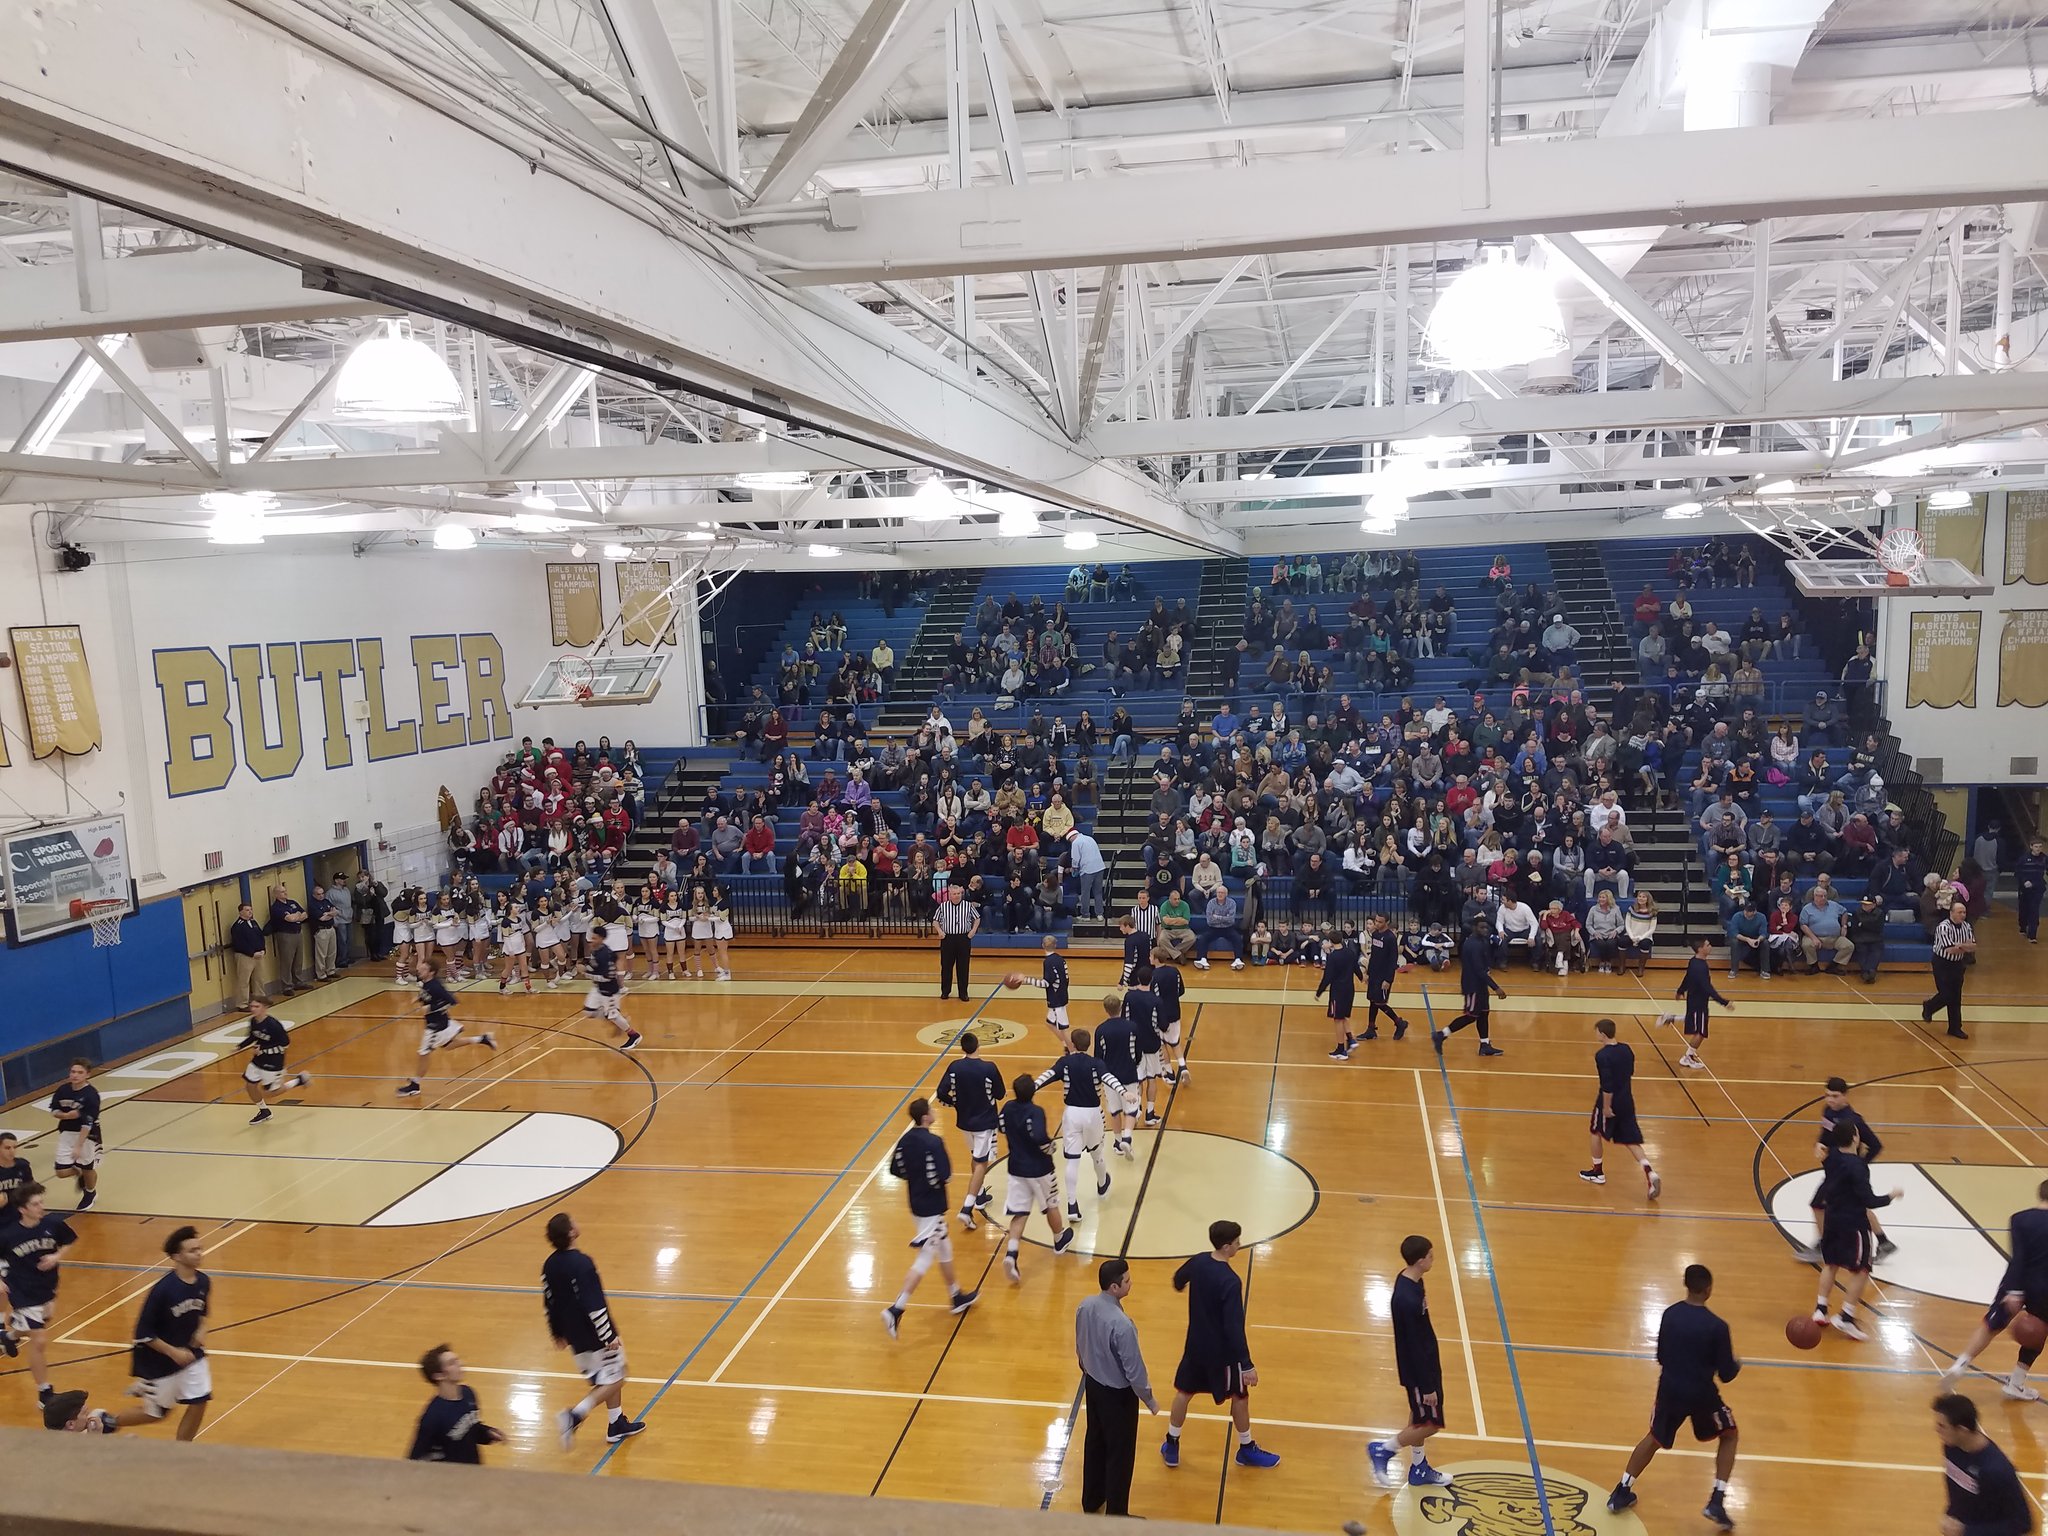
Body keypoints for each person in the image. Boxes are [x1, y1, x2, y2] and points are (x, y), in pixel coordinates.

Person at [1605, 1263, 1739, 1532]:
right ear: (1709, 1289)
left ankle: (1622, 1491)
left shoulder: (1670, 1315)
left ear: (1686, 1286)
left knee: (1653, 1438)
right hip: (1701, 1393)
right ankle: (1716, 1500)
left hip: (1670, 1389)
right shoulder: (1717, 1327)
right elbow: (1726, 1375)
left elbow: (1661, 1356)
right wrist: (1736, 1364)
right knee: (1729, 1434)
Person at [1161, 1220, 1280, 1470]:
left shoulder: (1199, 1261)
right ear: (1227, 1246)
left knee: (1184, 1393)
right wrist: (1246, 1365)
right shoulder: (1230, 1281)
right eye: (1237, 1242)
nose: (1239, 1245)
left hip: (1195, 1346)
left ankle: (1171, 1444)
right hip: (1223, 1355)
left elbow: (1178, 1281)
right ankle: (1246, 1449)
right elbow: (1233, 1327)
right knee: (1240, 1396)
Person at [92, 1225, 213, 1440]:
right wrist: (174, 1352)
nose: (199, 1253)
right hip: (159, 1361)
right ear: (177, 1256)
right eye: (192, 1250)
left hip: (191, 1356)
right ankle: (107, 1422)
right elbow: (143, 1333)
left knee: (200, 1400)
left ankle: (182, 1449)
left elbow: (203, 1313)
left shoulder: (203, 1281)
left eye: (200, 1249)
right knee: (156, 1414)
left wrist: (201, 1330)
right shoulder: (163, 1290)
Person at [542, 1211, 646, 1447]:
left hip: (574, 1335)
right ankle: (575, 1415)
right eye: (574, 1222)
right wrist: (608, 1335)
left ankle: (616, 1423)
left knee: (609, 1374)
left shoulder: (549, 1265)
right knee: (618, 1376)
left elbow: (549, 1301)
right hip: (595, 1333)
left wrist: (556, 1332)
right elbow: (594, 1303)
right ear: (571, 1232)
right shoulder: (582, 1264)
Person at [1940, 1178, 2048, 1404]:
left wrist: (2015, 1290)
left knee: (1991, 1325)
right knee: (2038, 1331)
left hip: (2015, 1281)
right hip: (2044, 1286)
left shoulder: (2019, 1219)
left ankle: (1960, 1365)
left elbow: (2019, 1257)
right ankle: (2016, 1382)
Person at [881, 1100, 980, 1338]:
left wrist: (917, 1178)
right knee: (924, 1259)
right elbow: (946, 1175)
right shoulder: (933, 1142)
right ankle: (896, 1309)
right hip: (932, 1208)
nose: (935, 1112)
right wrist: (931, 1181)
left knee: (945, 1249)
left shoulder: (905, 1139)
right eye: (931, 1110)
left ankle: (956, 1295)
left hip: (916, 1204)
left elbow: (895, 1169)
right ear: (926, 1117)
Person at [1367, 1234, 1453, 1489]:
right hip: (1419, 1372)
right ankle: (1384, 1449)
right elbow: (1413, 1346)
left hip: (1427, 1363)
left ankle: (1418, 1468)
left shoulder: (1412, 1280)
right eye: (1430, 1256)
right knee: (1430, 1424)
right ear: (1419, 1261)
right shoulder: (1406, 1299)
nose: (1433, 1259)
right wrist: (1426, 1387)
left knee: (1419, 1417)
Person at [1076, 1258, 1159, 1517]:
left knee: (1095, 1441)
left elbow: (1080, 1343)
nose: (1131, 1283)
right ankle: (1116, 1515)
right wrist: (1149, 1399)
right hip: (1118, 1397)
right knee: (1120, 1454)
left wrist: (1086, 1367)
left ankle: (1092, 1500)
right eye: (1127, 1281)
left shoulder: (1085, 1305)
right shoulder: (1122, 1325)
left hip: (1093, 1385)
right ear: (1114, 1287)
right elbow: (1134, 1370)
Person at [1809, 1119, 1903, 1341]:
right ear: (1855, 1138)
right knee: (1862, 1269)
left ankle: (1820, 1309)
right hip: (1853, 1224)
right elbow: (1869, 1200)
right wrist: (1891, 1195)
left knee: (1831, 1264)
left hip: (1831, 1219)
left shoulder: (1831, 1157)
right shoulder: (1858, 1166)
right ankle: (1846, 1317)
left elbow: (1826, 1152)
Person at [1796, 1077, 1896, 1263]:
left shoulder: (1853, 1120)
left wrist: (1860, 1163)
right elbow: (1825, 1134)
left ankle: (1823, 1245)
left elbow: (1876, 1145)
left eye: (1835, 1096)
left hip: (1845, 1171)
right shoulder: (1828, 1111)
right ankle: (1884, 1242)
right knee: (1857, 1206)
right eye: (1827, 1095)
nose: (1830, 1100)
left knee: (1819, 1205)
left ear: (1845, 1096)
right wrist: (1819, 1144)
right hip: (1835, 1170)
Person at [0, 1182, 76, 1405]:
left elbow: (69, 1240)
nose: (41, 1207)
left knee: (43, 1321)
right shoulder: (8, 1235)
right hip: (22, 1290)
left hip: (47, 1286)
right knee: (39, 1340)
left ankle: (10, 1336)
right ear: (22, 1209)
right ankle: (44, 1392)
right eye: (35, 1204)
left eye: (41, 1202)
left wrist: (56, 1256)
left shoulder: (53, 1224)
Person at [1036, 1029, 1120, 1224]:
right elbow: (1109, 1079)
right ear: (1089, 1045)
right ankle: (1102, 1184)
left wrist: (1032, 1086)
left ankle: (1072, 1205)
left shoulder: (1064, 1062)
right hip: (1093, 1114)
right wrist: (1124, 1092)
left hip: (1072, 1114)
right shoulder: (1097, 1063)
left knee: (1072, 1161)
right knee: (1097, 1153)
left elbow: (1047, 1076)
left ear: (1072, 1044)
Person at [999, 1075, 1075, 1281]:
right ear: (1033, 1091)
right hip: (1040, 1169)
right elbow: (1040, 1137)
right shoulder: (1036, 1112)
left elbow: (1001, 1127)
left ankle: (1011, 1253)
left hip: (1016, 1168)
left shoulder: (1008, 1108)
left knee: (1020, 1212)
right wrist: (1051, 1148)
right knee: (1052, 1204)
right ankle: (1059, 1239)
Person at [1931, 1393, 2034, 1536]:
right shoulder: (1951, 1447)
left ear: (1962, 1430)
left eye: (1942, 1426)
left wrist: (1966, 1531)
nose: (1936, 1429)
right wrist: (1951, 1515)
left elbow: (2022, 1524)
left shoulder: (1997, 1471)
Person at [397, 957, 496, 1097]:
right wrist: (419, 998)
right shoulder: (426, 983)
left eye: (424, 969)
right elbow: (428, 994)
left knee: (423, 1054)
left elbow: (451, 1001)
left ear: (431, 972)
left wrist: (431, 1008)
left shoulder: (436, 986)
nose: (420, 971)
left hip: (435, 1026)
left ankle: (415, 1085)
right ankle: (482, 1039)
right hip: (440, 1022)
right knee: (449, 1046)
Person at [1583, 1019, 1660, 1198]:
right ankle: (1650, 1172)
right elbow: (1630, 1072)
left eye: (1597, 1032)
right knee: (1630, 1140)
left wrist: (1606, 1107)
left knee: (1595, 1131)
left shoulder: (1602, 1055)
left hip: (1609, 1101)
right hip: (1627, 1100)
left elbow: (1607, 1085)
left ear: (1602, 1034)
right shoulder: (1626, 1049)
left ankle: (1597, 1172)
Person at [935, 1032, 1005, 1227]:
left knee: (975, 1157)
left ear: (962, 1048)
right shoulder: (989, 1068)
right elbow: (1000, 1093)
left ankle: (980, 1194)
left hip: (965, 1122)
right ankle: (967, 1208)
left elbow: (941, 1092)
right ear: (978, 1045)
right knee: (981, 1163)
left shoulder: (955, 1067)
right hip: (985, 1123)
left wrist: (955, 1103)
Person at [408, 1344, 505, 1463]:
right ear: (439, 1375)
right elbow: (415, 1459)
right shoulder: (433, 1417)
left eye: (457, 1360)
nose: (461, 1364)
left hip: (474, 1469)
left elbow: (470, 1428)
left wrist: (487, 1432)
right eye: (452, 1363)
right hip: (452, 1473)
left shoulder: (468, 1393)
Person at [1433, 918, 1508, 1058]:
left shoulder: (1482, 941)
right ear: (1474, 928)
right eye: (1481, 927)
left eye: (1486, 927)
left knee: (1484, 1013)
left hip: (1480, 984)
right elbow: (1479, 970)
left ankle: (1485, 1045)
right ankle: (1441, 1034)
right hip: (1472, 985)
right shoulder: (1472, 944)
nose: (1485, 930)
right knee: (1471, 1016)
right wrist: (1495, 987)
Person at [237, 999, 311, 1125]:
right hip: (258, 1060)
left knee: (269, 1093)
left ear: (264, 1007)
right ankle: (264, 1111)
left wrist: (263, 1049)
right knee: (250, 1085)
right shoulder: (253, 1021)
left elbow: (285, 1043)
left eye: (256, 1006)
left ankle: (299, 1080)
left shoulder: (273, 1025)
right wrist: (239, 1047)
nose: (253, 1009)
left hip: (273, 1062)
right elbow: (253, 1036)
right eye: (252, 1006)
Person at [1663, 938, 1732, 1071]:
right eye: (1708, 945)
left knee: (1696, 1022)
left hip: (1694, 1000)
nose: (1710, 946)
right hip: (1699, 1003)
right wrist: (1724, 1002)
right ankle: (1688, 1057)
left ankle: (1671, 1018)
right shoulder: (1700, 967)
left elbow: (1687, 977)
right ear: (1700, 949)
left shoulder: (1694, 961)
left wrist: (1680, 990)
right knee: (1701, 1032)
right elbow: (1707, 987)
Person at [47, 1058, 103, 1209]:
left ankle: (90, 1193)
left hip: (87, 1134)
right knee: (61, 1172)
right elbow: (54, 1110)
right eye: (73, 1071)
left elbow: (88, 1123)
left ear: (87, 1075)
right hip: (66, 1132)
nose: (75, 1075)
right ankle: (78, 1172)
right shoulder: (63, 1090)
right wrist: (65, 1116)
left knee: (88, 1167)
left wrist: (79, 1145)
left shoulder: (91, 1095)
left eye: (80, 1072)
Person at [1924, 899, 1977, 1041]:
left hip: (1958, 964)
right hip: (1942, 963)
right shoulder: (1943, 927)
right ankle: (1929, 1006)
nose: (1963, 915)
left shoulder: (1966, 926)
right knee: (1946, 994)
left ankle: (1955, 1027)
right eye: (1960, 912)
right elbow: (1950, 949)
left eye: (1964, 912)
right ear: (1951, 913)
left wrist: (1961, 946)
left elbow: (1973, 946)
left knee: (1956, 997)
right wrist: (1963, 946)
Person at [581, 942, 643, 1052]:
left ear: (601, 938)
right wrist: (585, 967)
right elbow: (594, 967)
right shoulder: (597, 952)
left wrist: (585, 972)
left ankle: (634, 1035)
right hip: (598, 988)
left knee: (612, 1015)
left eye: (594, 938)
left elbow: (606, 977)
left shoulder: (605, 955)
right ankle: (618, 1022)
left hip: (609, 990)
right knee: (588, 1012)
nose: (591, 941)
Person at [1315, 930, 1365, 1059]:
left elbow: (1327, 978)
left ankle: (1341, 1049)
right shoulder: (1350, 952)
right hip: (1350, 989)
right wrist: (1362, 978)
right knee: (1343, 1016)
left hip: (1338, 991)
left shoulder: (1333, 957)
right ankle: (1351, 1040)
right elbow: (1356, 968)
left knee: (1337, 1019)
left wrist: (1319, 992)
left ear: (1331, 942)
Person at [934, 883, 979, 1001]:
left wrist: (973, 931)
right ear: (950, 895)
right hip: (948, 939)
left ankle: (963, 993)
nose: (957, 895)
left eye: (959, 893)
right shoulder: (943, 906)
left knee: (963, 967)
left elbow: (977, 918)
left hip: (963, 938)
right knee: (946, 966)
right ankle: (945, 991)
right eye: (954, 894)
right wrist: (939, 931)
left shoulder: (968, 906)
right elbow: (935, 920)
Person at [268, 884, 309, 996]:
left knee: (298, 959)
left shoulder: (292, 902)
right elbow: (289, 919)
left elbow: (305, 914)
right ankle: (287, 986)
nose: (285, 893)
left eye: (285, 890)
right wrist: (297, 915)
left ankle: (298, 981)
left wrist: (296, 916)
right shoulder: (276, 907)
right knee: (287, 961)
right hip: (286, 935)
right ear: (276, 894)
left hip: (298, 933)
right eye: (282, 892)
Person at [226, 902, 267, 1011]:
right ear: (241, 912)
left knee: (259, 979)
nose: (250, 912)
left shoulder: (253, 922)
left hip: (259, 955)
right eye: (247, 910)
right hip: (245, 956)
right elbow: (239, 943)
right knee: (244, 980)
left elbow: (260, 936)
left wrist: (263, 949)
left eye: (251, 910)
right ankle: (242, 1004)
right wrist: (252, 953)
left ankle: (260, 1000)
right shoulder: (237, 926)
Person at [2017, 836, 2046, 944]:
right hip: (2025, 889)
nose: (2038, 849)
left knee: (2034, 910)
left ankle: (2032, 935)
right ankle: (2023, 926)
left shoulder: (2044, 858)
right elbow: (2018, 872)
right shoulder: (2023, 858)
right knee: (2024, 908)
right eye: (2036, 847)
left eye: (2040, 847)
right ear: (2031, 847)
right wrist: (2024, 881)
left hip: (2038, 888)